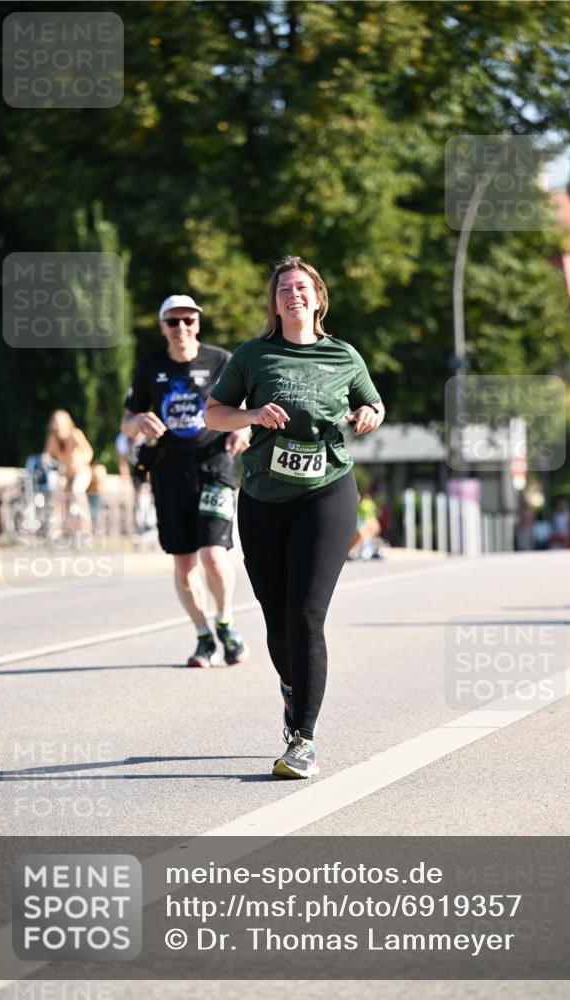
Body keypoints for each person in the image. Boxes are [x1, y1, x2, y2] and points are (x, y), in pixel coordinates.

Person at [205, 256, 384, 778]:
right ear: (275, 302)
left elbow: (372, 404)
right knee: (277, 620)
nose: (293, 295)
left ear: (318, 297)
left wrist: (369, 414)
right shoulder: (254, 355)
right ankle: (292, 688)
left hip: (327, 492)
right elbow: (214, 413)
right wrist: (252, 415)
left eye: (301, 287)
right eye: (284, 289)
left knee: (306, 615)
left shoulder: (343, 355)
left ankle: (302, 739)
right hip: (263, 496)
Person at [120, 294, 249, 668]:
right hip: (168, 470)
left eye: (187, 321)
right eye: (173, 322)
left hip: (215, 465)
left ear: (198, 324)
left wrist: (244, 432)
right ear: (162, 327)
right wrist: (137, 424)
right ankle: (203, 636)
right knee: (184, 564)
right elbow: (127, 421)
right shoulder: (150, 368)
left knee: (212, 555)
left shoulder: (221, 361)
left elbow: (244, 413)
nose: (181, 329)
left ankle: (225, 620)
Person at [43, 409, 94, 531]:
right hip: (66, 474)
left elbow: (89, 452)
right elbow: (47, 454)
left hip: (81, 472)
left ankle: (86, 527)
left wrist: (80, 460)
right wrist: (44, 459)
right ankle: (59, 529)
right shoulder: (53, 439)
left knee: (77, 490)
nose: (57, 426)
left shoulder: (75, 434)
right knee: (57, 494)